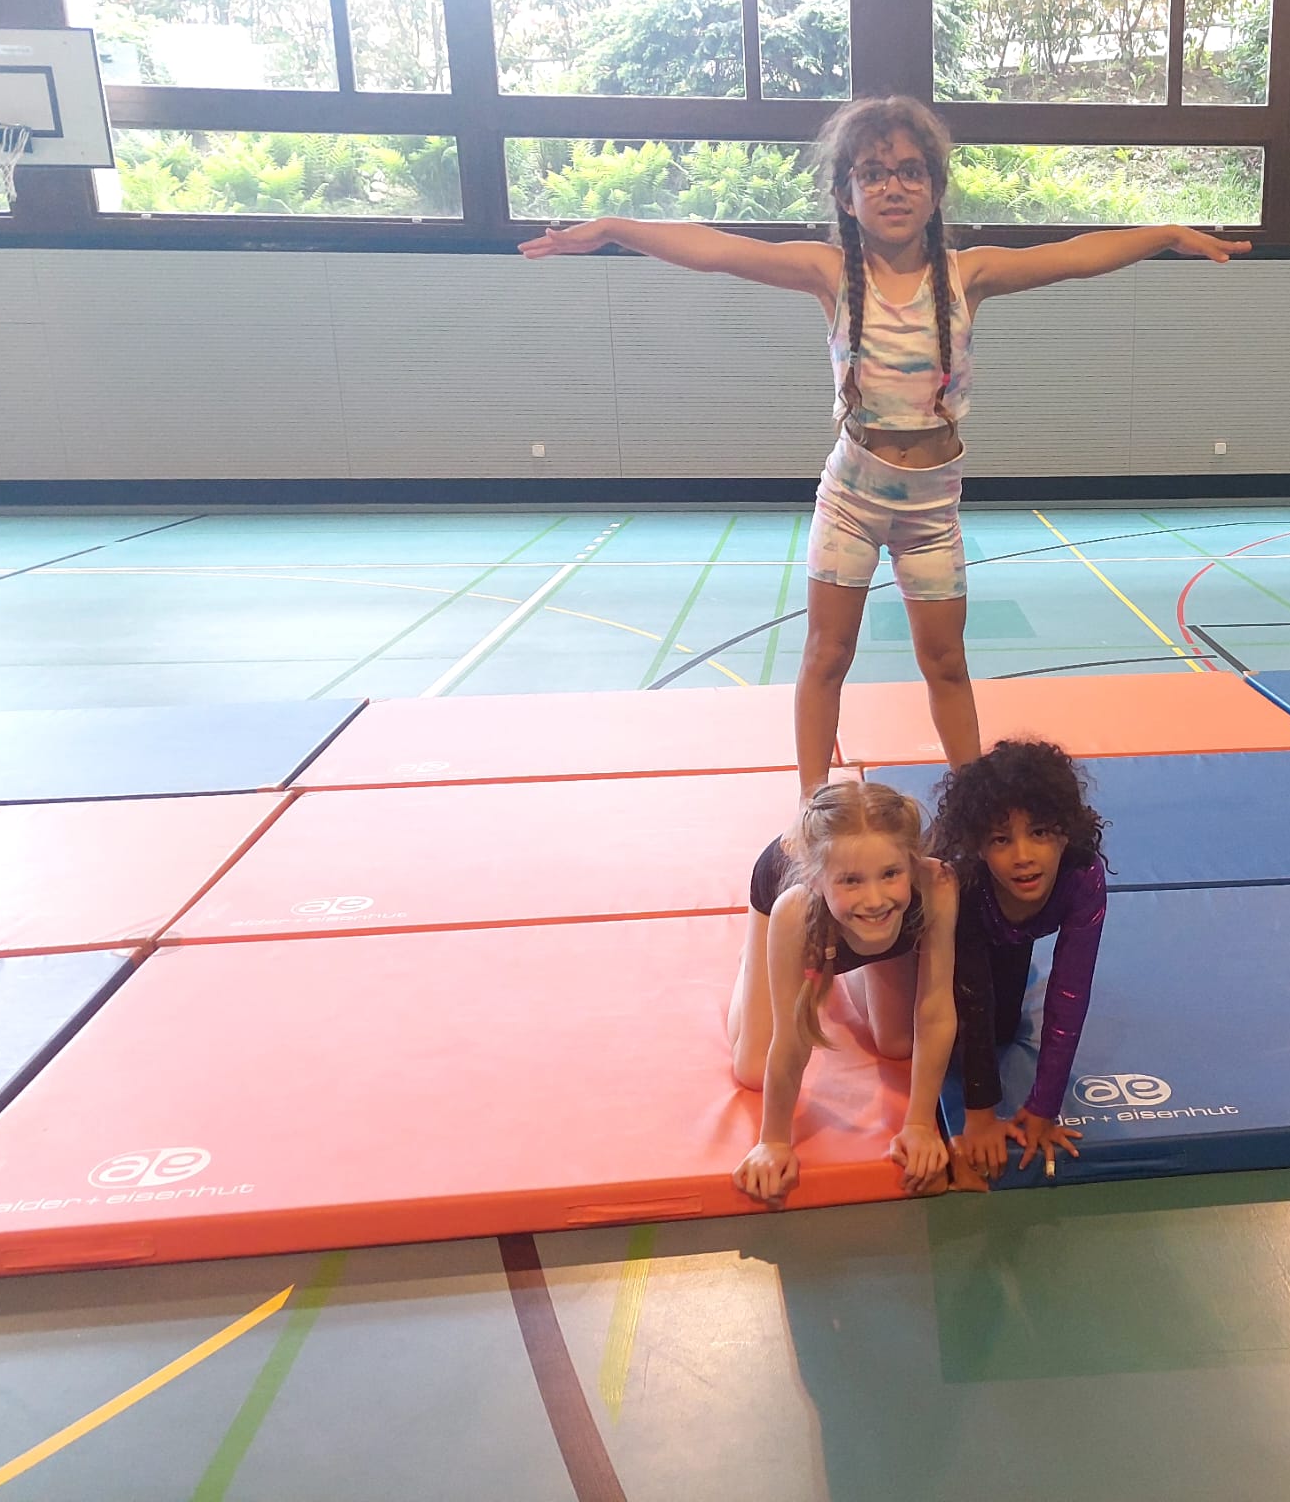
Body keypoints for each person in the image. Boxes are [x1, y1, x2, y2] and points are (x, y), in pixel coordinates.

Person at [521, 95, 1249, 798]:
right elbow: (720, 251)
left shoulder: (967, 275)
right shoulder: (831, 273)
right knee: (826, 654)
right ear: (846, 194)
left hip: (931, 505)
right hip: (852, 495)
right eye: (872, 173)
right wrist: (615, 227)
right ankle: (814, 804)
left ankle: (970, 804)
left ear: (935, 189)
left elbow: (1073, 255)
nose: (892, 187)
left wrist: (1164, 234)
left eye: (909, 171)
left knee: (946, 663)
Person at [726, 780, 960, 1206]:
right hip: (795, 911)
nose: (874, 898)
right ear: (818, 880)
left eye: (891, 874)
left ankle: (847, 961)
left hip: (873, 933)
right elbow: (791, 1039)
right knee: (752, 1069)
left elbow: (936, 1009)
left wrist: (919, 1124)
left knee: (897, 1044)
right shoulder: (795, 908)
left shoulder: (938, 886)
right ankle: (753, 959)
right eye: (851, 880)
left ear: (912, 862)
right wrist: (774, 1140)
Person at [929, 739, 1109, 1179]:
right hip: (928, 936)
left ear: (1065, 832)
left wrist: (1044, 1106)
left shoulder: (1081, 876)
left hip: (1007, 936)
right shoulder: (963, 882)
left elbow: (1070, 992)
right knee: (908, 1039)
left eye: (1040, 833)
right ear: (979, 846)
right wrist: (980, 1117)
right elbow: (972, 999)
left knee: (1005, 1031)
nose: (1023, 856)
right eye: (1001, 839)